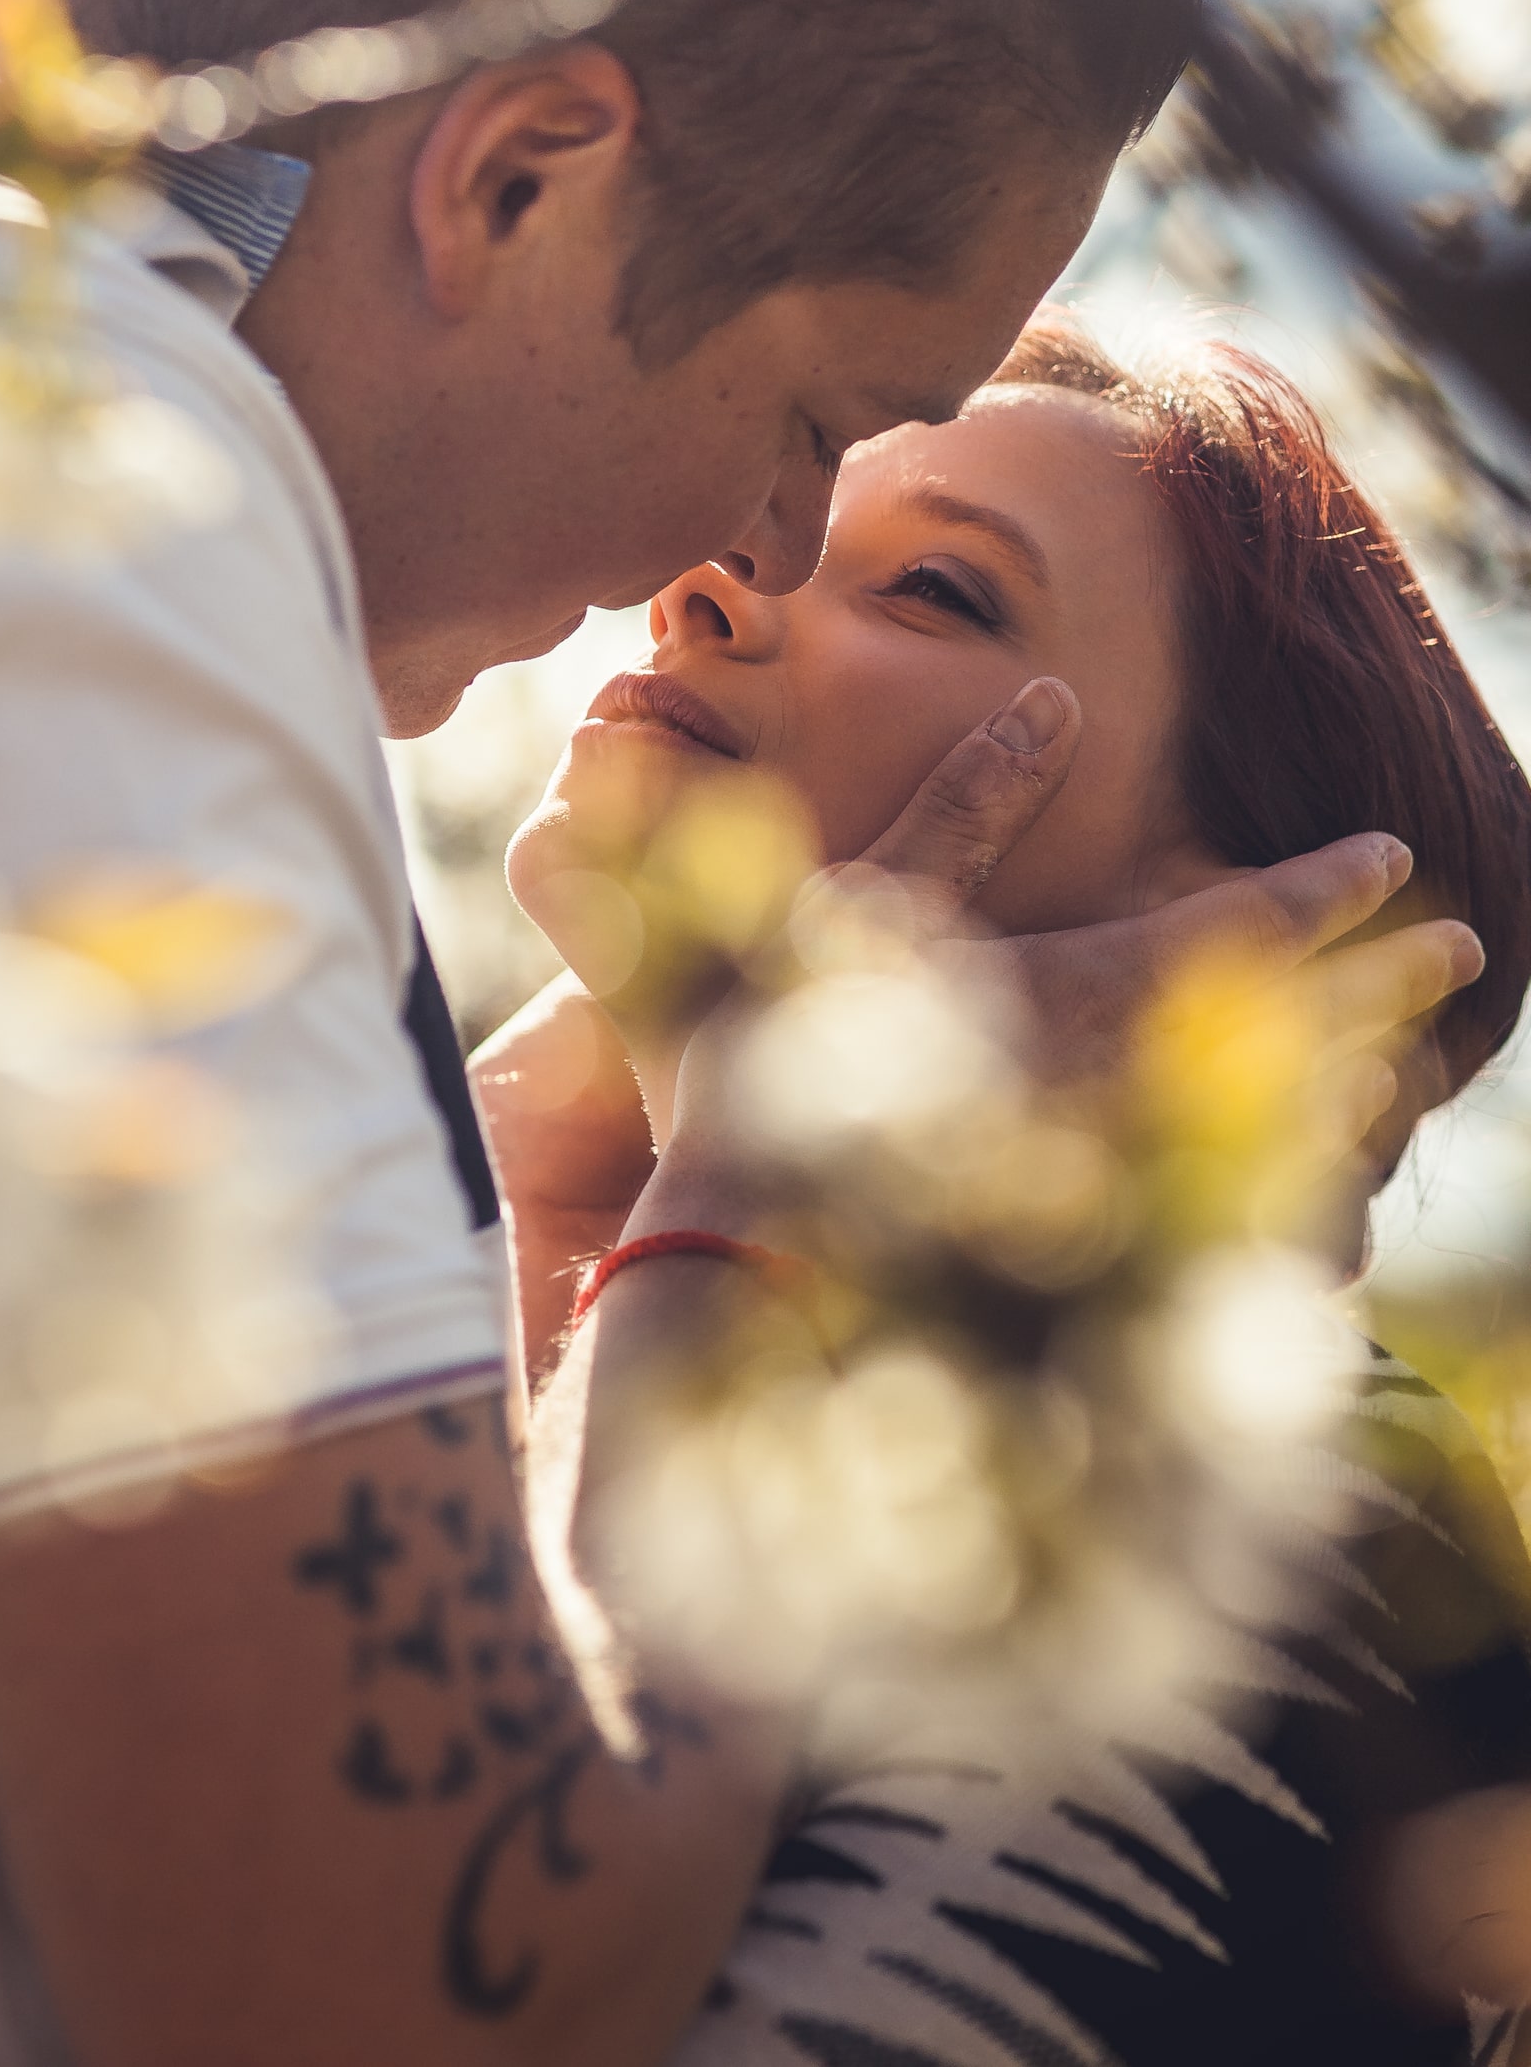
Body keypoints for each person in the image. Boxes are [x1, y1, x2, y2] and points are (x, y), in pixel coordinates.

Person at [0, 0, 1477, 2067]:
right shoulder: (91, 540)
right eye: (831, 420)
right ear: (520, 178)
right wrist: (771, 1209)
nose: (765, 549)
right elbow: (369, 1997)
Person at [481, 316, 1531, 2063]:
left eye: (938, 590)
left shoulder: (1289, 1521)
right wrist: (542, 1170)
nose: (707, 589)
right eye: (773, 521)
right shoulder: (542, 1276)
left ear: (1241, 947)